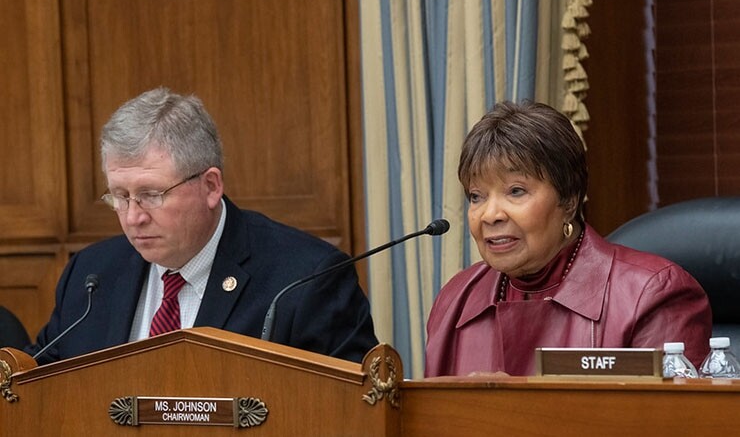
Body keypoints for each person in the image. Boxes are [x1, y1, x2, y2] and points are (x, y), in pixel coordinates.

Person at [26, 87, 378, 365]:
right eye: (120, 196)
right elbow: (38, 386)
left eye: (150, 194)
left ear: (210, 186)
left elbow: (351, 410)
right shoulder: (91, 276)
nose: (133, 217)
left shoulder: (306, 280)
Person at [425, 101, 712, 377]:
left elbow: (665, 422)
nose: (490, 215)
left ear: (569, 201)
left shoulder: (652, 295)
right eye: (477, 196)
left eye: (515, 191)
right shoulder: (455, 302)